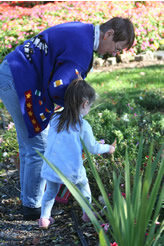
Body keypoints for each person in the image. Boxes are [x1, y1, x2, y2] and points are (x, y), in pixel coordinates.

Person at [0, 17, 135, 220]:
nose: (114, 53)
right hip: (18, 80)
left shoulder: (84, 32)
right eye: (117, 47)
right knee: (39, 147)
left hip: (13, 72)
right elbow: (59, 86)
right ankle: (33, 208)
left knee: (30, 146)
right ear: (109, 34)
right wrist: (77, 112)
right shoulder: (82, 48)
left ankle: (30, 202)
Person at [39, 78, 116, 229]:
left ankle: (44, 219)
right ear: (85, 103)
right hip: (71, 169)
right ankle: (87, 213)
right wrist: (108, 148)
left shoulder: (55, 118)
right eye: (90, 106)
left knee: (50, 191)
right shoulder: (82, 125)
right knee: (83, 186)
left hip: (51, 166)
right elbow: (93, 148)